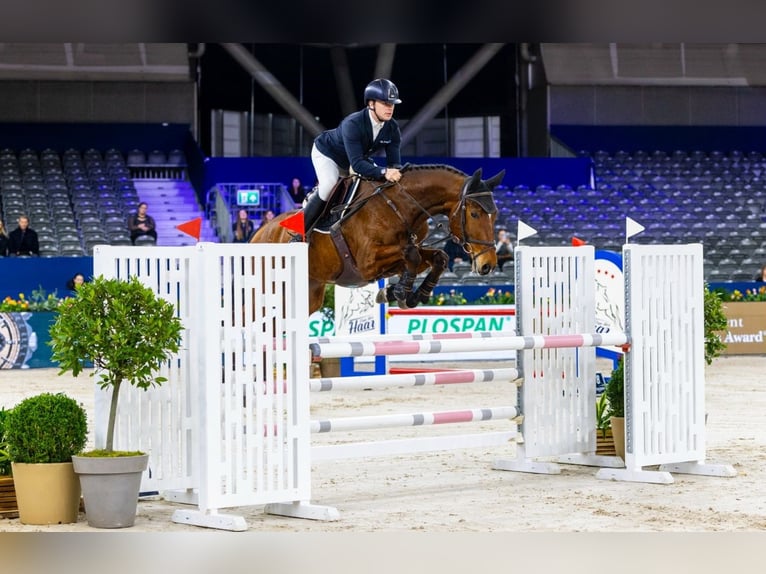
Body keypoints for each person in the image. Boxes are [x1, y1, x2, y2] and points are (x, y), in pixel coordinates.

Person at [291, 78, 404, 241]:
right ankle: (298, 233)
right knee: (329, 183)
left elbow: (395, 164)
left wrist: (395, 174)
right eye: (385, 103)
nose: (390, 108)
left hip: (354, 159)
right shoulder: (353, 123)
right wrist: (384, 171)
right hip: (327, 153)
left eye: (392, 104)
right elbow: (358, 166)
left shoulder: (392, 128)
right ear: (371, 104)